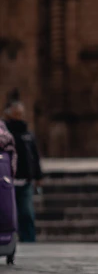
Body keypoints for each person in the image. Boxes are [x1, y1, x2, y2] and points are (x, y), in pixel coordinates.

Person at [3, 99, 42, 243]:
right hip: (8, 181)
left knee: (27, 214)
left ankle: (29, 241)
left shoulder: (28, 134)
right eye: (16, 114)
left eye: (21, 114)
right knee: (8, 214)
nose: (19, 117)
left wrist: (38, 176)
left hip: (25, 181)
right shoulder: (4, 135)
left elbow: (34, 157)